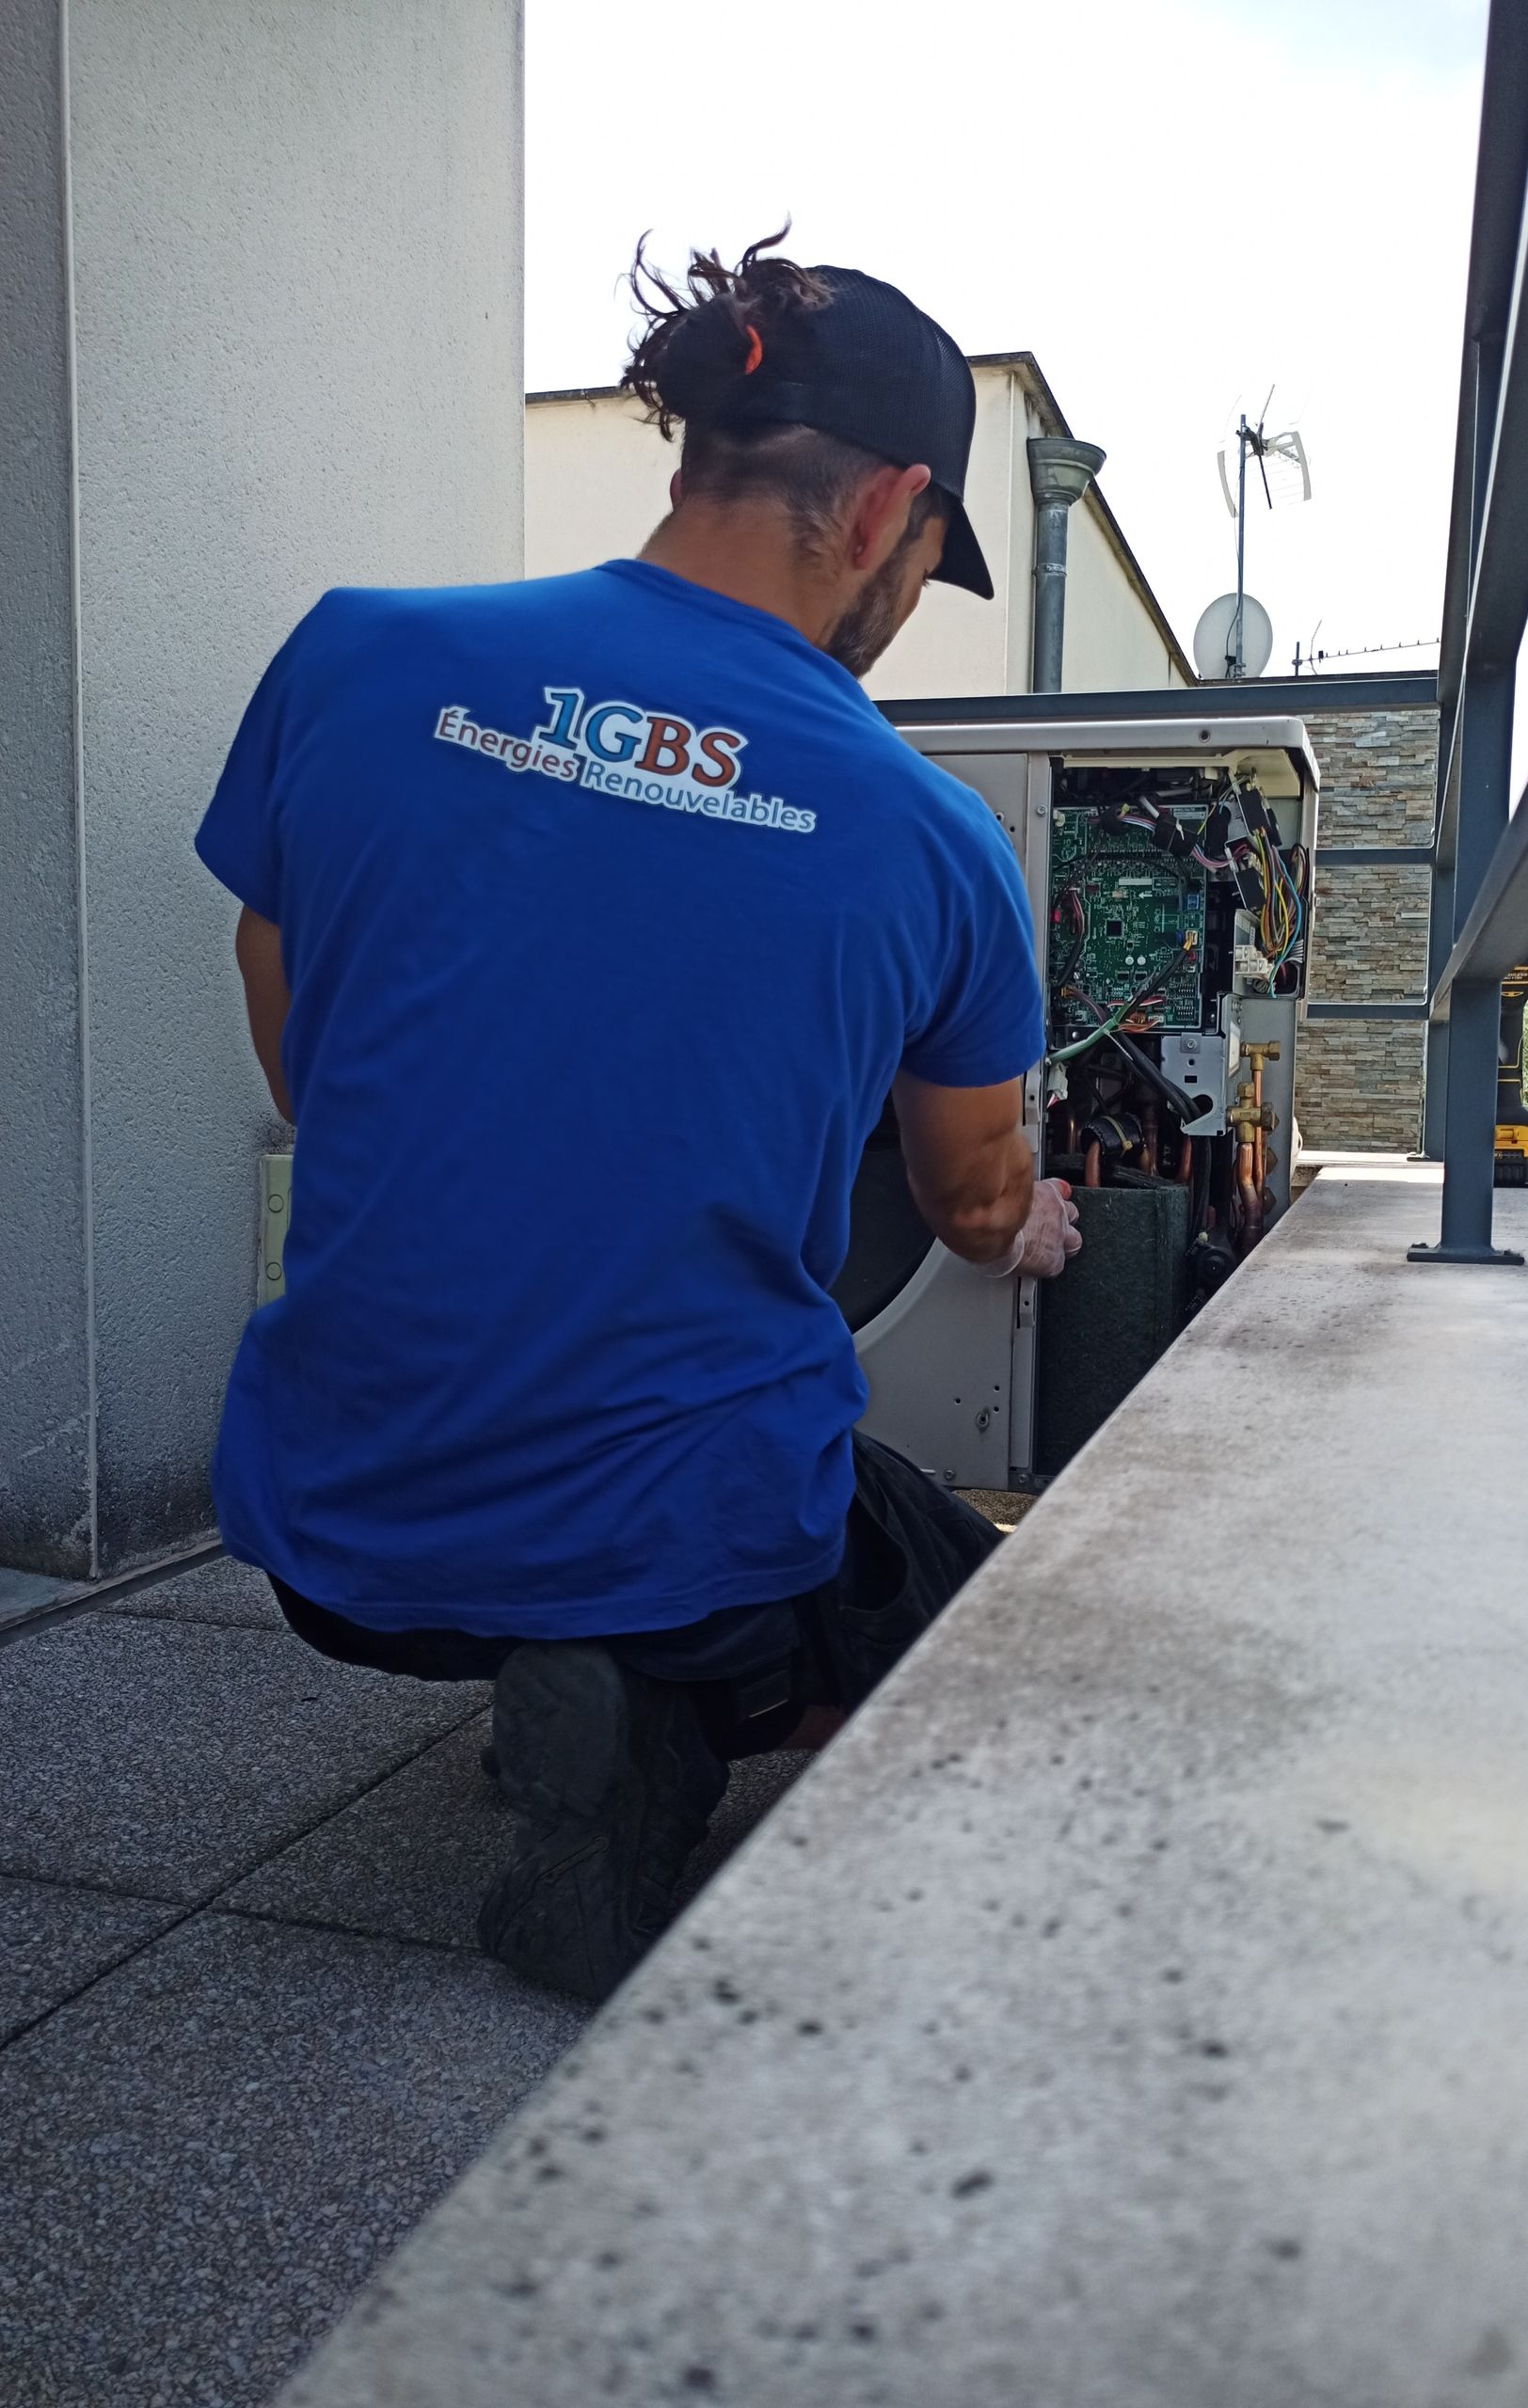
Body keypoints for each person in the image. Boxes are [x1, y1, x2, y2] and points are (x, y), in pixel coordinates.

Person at [196, 234, 1080, 2003]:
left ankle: (591, 1689)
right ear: (891, 508)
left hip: (337, 1529)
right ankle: (655, 1747)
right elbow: (973, 1205)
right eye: (927, 559)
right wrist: (1032, 1223)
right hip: (681, 1544)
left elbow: (302, 1026)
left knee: (628, 1484)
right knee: (943, 1583)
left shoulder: (357, 659)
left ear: (695, 455)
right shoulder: (930, 836)